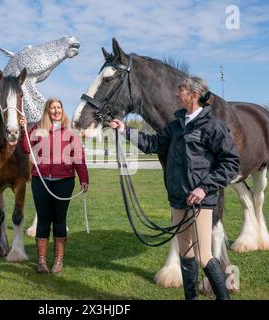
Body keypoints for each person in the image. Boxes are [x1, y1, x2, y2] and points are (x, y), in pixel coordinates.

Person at [110, 76, 240, 300]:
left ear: (193, 94)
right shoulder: (176, 125)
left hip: (200, 200)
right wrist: (125, 131)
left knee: (203, 256)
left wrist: (203, 188)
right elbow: (153, 144)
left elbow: (230, 164)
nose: (176, 94)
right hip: (178, 197)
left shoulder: (213, 126)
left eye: (180, 90)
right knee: (185, 253)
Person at [19, 97, 89, 274]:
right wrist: (23, 129)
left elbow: (79, 157)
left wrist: (84, 179)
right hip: (40, 181)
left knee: (59, 220)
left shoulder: (71, 133)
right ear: (47, 111)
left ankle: (58, 260)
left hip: (64, 182)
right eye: (53, 108)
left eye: (59, 107)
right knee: (43, 220)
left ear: (62, 110)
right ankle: (41, 261)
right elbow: (26, 148)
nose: (56, 110)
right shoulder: (37, 129)